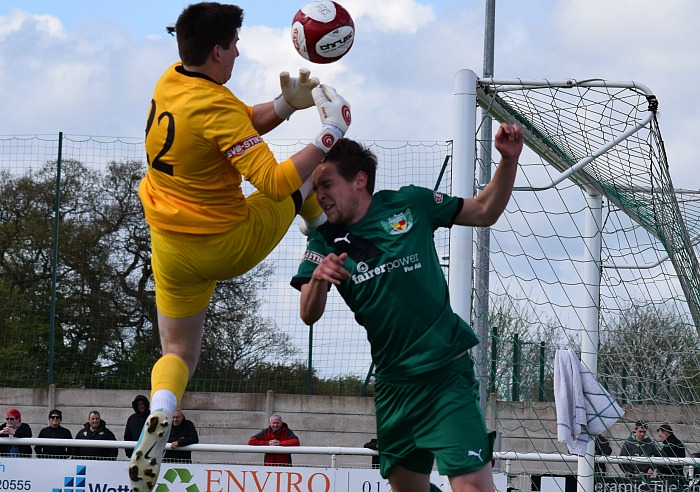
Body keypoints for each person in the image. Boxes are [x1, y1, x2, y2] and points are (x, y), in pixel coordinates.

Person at [130, 2, 351, 490]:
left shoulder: (171, 79)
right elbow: (272, 180)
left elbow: (232, 126)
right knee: (307, 178)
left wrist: (283, 106)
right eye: (233, 44)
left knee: (178, 351)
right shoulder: (216, 108)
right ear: (216, 50)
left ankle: (162, 412)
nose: (237, 51)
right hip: (227, 242)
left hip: (169, 244)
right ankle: (324, 236)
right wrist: (330, 132)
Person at [291, 126, 523, 492]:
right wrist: (318, 278)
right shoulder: (323, 239)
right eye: (315, 189)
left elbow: (483, 211)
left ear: (359, 181)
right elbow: (308, 314)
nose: (319, 196)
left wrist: (508, 161)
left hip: (445, 375)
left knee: (474, 487)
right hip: (394, 387)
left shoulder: (409, 203)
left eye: (326, 185)